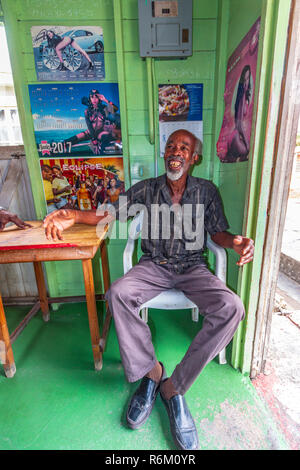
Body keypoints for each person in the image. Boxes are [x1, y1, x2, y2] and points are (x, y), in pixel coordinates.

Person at [43, 129, 254, 450]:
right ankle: (152, 372)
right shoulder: (148, 188)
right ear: (164, 154)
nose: (176, 151)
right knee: (117, 294)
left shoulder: (207, 191)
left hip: (193, 267)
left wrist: (236, 242)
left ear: (194, 158)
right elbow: (109, 213)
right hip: (153, 265)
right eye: (171, 146)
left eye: (184, 147)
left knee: (232, 308)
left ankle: (174, 388)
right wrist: (72, 214)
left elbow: (219, 233)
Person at [64, 89, 119, 156]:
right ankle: (55, 149)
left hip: (102, 132)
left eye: (96, 97)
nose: (94, 99)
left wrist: (105, 100)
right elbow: (89, 125)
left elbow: (115, 109)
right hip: (91, 132)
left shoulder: (104, 108)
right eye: (92, 97)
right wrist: (93, 138)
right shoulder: (87, 111)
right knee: (72, 139)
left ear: (99, 98)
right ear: (90, 98)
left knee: (104, 137)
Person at [226, 65, 252, 162]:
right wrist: (246, 142)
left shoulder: (245, 96)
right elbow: (239, 125)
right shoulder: (241, 97)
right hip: (237, 134)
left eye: (247, 79)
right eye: (244, 79)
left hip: (240, 134)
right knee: (246, 150)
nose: (246, 82)